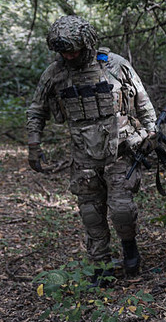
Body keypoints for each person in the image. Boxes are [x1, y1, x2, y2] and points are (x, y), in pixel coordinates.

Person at [26, 15, 158, 284]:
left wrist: (152, 132)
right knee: (91, 214)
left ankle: (130, 251)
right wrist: (33, 144)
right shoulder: (55, 73)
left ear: (87, 44)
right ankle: (101, 267)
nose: (69, 56)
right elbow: (37, 109)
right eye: (63, 52)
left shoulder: (115, 65)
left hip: (120, 151)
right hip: (83, 156)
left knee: (122, 210)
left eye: (73, 50)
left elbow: (142, 100)